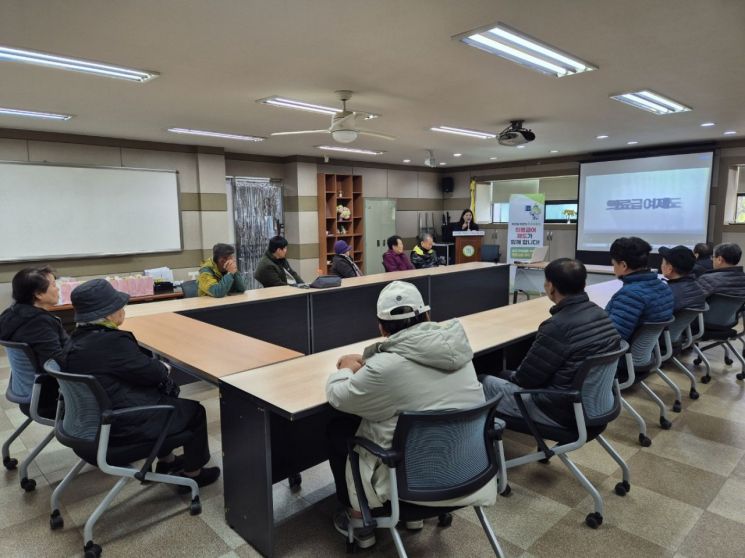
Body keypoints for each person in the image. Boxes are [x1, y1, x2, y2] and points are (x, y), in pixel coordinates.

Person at [325, 281, 494, 548]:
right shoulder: (458, 349)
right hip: (466, 469)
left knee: (339, 429)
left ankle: (361, 526)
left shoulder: (385, 368)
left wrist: (345, 369)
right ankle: (413, 520)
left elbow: (338, 397)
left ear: (381, 327)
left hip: (410, 482)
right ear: (427, 316)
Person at [62, 279, 220, 487]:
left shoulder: (74, 340)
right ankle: (194, 474)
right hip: (120, 427)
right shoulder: (112, 343)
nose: (123, 309)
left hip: (90, 424)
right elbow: (153, 374)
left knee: (166, 400)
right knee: (194, 411)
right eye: (119, 306)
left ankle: (167, 462)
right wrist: (163, 367)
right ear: (109, 313)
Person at [481, 259, 621, 426]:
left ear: (550, 287)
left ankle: (481, 446)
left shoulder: (556, 326)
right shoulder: (601, 313)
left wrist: (507, 374)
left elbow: (525, 380)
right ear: (584, 284)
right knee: (504, 374)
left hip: (558, 410)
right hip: (594, 404)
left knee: (482, 380)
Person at [0, 266, 66, 417]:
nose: (58, 289)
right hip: (50, 400)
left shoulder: (10, 314)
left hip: (29, 392)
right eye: (54, 286)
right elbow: (59, 363)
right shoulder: (38, 324)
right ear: (38, 294)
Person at [605, 237, 674, 340]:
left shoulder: (630, 296)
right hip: (650, 352)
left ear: (623, 265)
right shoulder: (664, 288)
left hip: (624, 354)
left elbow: (612, 337)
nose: (613, 268)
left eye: (614, 264)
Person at [659, 245, 706, 311]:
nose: (661, 266)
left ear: (669, 269)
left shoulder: (669, 294)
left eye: (662, 263)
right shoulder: (697, 286)